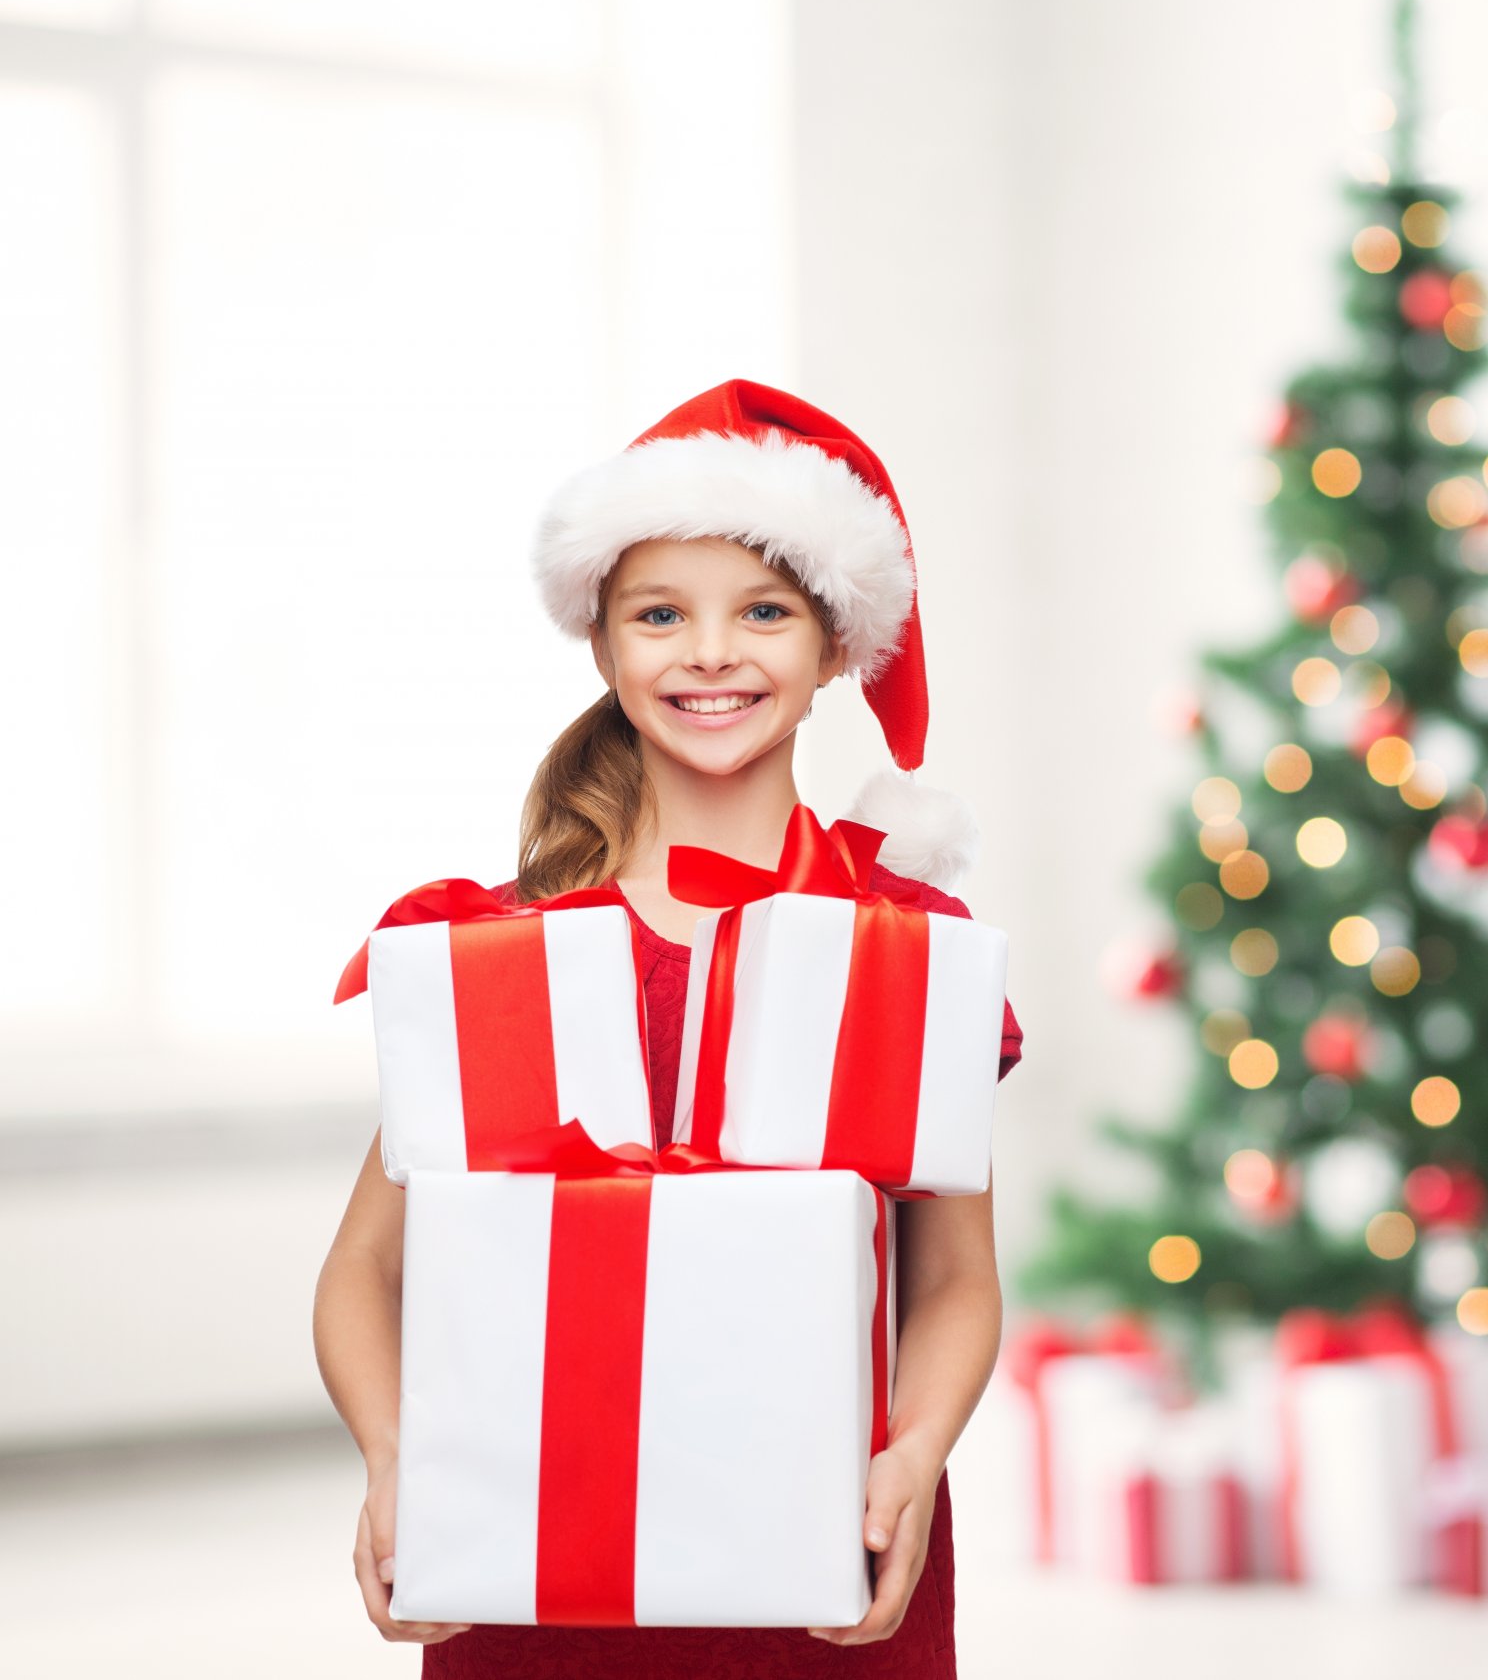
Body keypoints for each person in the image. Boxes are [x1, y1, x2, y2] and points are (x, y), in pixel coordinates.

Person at [313, 379, 1024, 1678]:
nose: (711, 653)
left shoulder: (898, 944)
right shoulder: (505, 954)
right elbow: (364, 1265)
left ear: (835, 648)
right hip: (531, 1579)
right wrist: (395, 1461)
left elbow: (951, 1276)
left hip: (827, 1568)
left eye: (763, 610)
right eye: (660, 614)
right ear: (604, 645)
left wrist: (912, 1458)